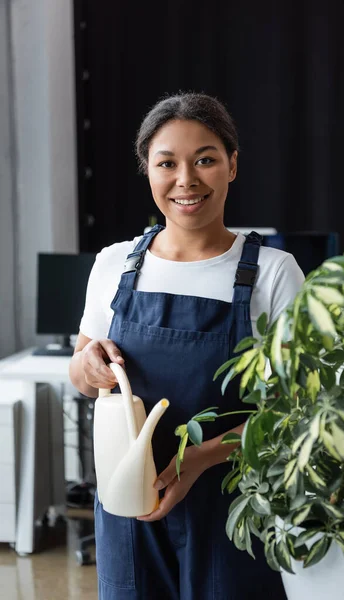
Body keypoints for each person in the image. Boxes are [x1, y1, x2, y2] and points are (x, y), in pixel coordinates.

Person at [69, 92, 304, 600]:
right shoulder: (114, 263)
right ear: (147, 171)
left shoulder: (273, 273)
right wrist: (88, 367)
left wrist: (193, 461)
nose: (186, 179)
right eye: (166, 163)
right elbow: (80, 371)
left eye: (205, 159)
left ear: (232, 165)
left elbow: (297, 413)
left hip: (232, 508)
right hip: (128, 505)